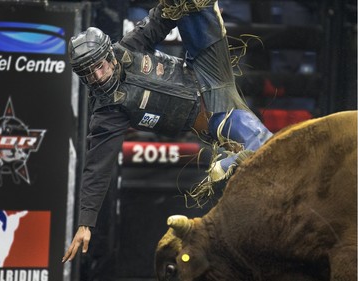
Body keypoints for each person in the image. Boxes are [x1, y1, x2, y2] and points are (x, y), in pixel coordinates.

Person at [62, 0, 272, 263]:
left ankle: (236, 162)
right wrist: (85, 223)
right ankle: (236, 162)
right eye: (89, 74)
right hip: (212, 117)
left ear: (109, 55)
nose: (98, 76)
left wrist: (165, 9)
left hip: (203, 70)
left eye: (100, 66)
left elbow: (157, 22)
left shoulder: (129, 47)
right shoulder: (108, 112)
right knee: (265, 146)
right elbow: (96, 168)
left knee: (186, 6)